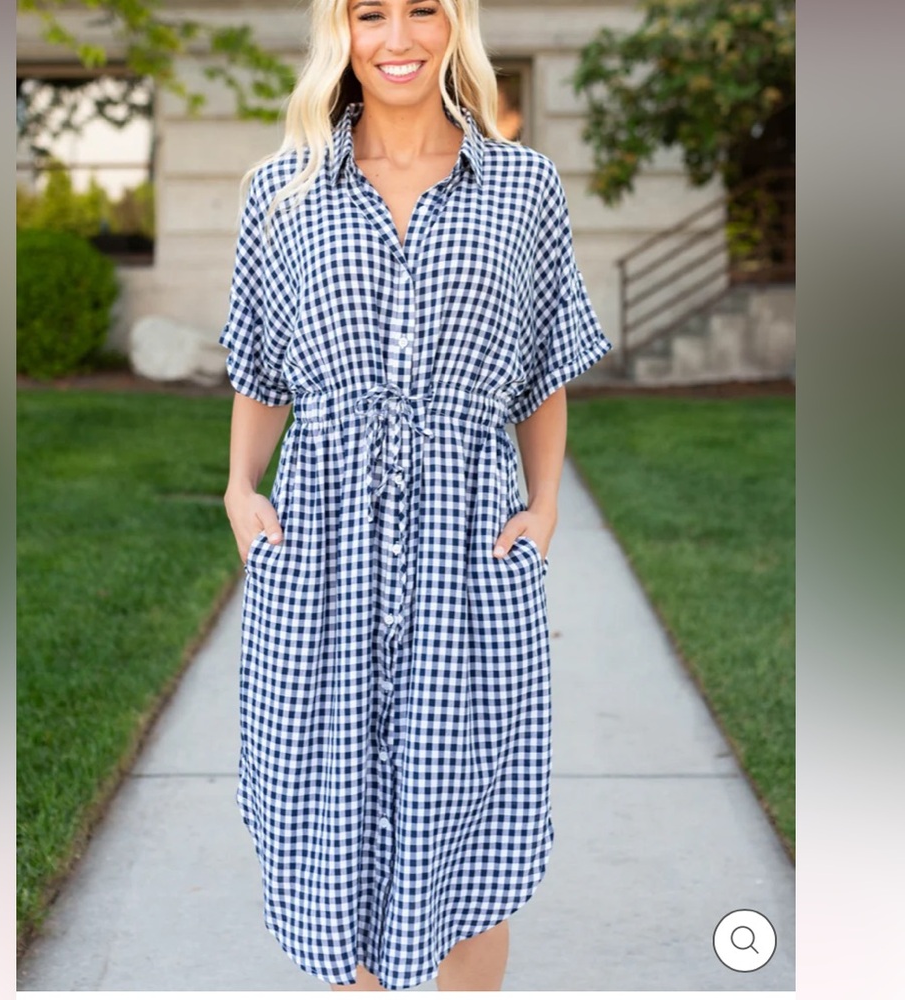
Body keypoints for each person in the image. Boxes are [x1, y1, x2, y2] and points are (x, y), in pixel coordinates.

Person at [220, 0, 613, 991]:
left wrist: (544, 507)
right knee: (332, 838)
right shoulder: (281, 191)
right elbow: (260, 368)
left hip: (467, 553)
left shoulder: (522, 187)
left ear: (455, 25)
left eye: (422, 10)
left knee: (470, 842)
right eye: (371, 14)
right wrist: (239, 490)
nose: (398, 38)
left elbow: (542, 369)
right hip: (322, 551)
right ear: (341, 32)